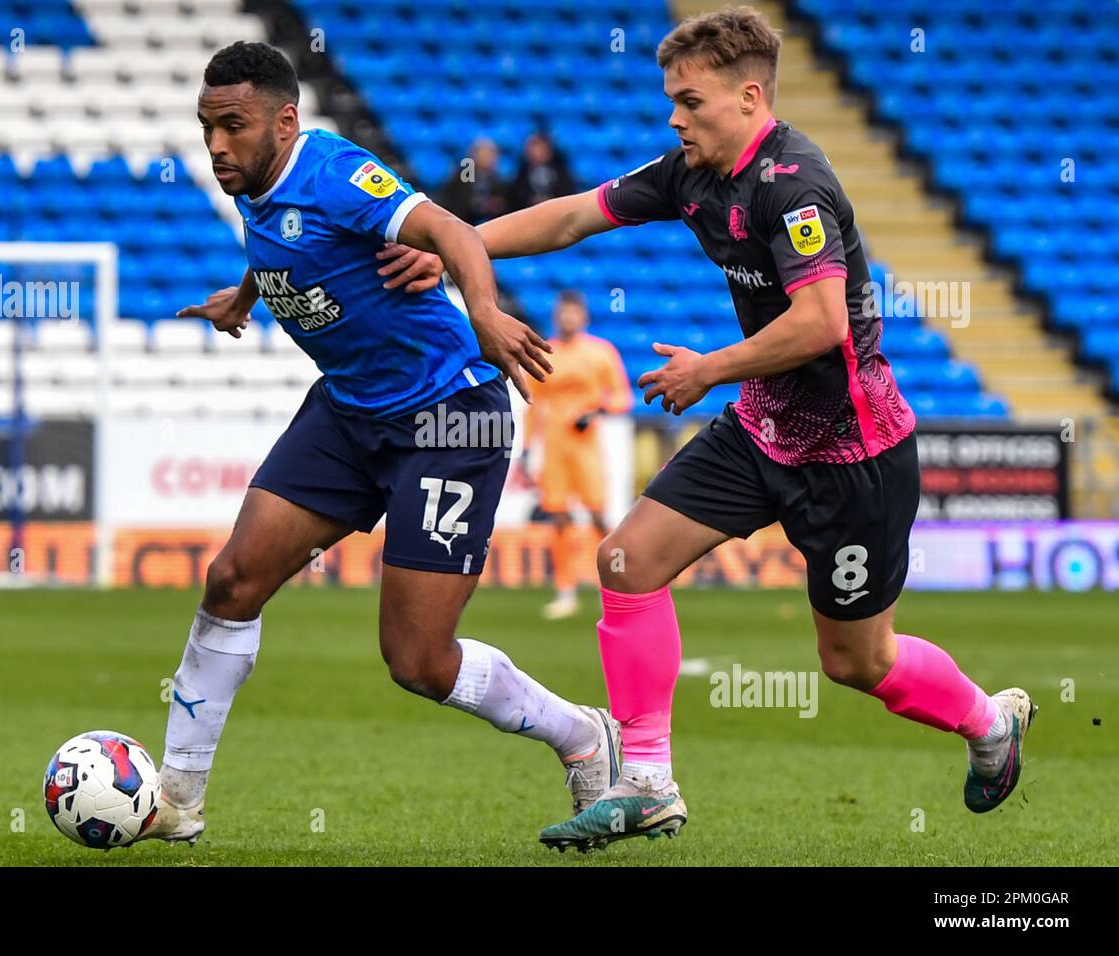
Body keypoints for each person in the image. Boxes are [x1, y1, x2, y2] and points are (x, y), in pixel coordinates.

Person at [376, 6, 1036, 852]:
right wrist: (458, 248)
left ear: (749, 97)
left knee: (855, 663)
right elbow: (575, 214)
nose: (674, 118)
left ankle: (988, 724)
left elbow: (824, 322)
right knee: (626, 559)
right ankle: (646, 782)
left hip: (853, 454)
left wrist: (708, 368)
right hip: (762, 429)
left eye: (689, 102)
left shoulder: (794, 184)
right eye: (671, 103)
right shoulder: (693, 173)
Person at [142, 41, 621, 844]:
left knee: (418, 660)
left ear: (285, 121)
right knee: (231, 580)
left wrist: (488, 316)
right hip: (349, 410)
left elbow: (451, 234)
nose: (216, 145)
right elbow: (290, 242)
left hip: (447, 417)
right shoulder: (252, 181)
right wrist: (246, 295)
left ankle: (582, 734)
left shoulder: (335, 170)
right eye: (206, 127)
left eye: (233, 126)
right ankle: (177, 800)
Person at [524, 291, 631, 620]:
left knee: (598, 517)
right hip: (555, 446)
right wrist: (528, 447)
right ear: (557, 317)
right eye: (563, 313)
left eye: (574, 313)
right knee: (558, 518)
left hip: (586, 448)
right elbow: (533, 403)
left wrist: (597, 410)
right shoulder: (546, 353)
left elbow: (622, 398)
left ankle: (618, 586)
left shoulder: (601, 353)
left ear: (583, 317)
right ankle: (565, 590)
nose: (568, 318)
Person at [436, 136, 510, 224]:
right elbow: (459, 204)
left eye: (494, 155)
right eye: (486, 155)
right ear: (475, 155)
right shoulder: (464, 175)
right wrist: (480, 206)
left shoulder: (497, 179)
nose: (492, 159)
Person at [508, 130, 575, 210]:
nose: (535, 153)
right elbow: (515, 198)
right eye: (531, 148)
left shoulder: (561, 172)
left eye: (540, 148)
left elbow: (567, 195)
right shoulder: (521, 174)